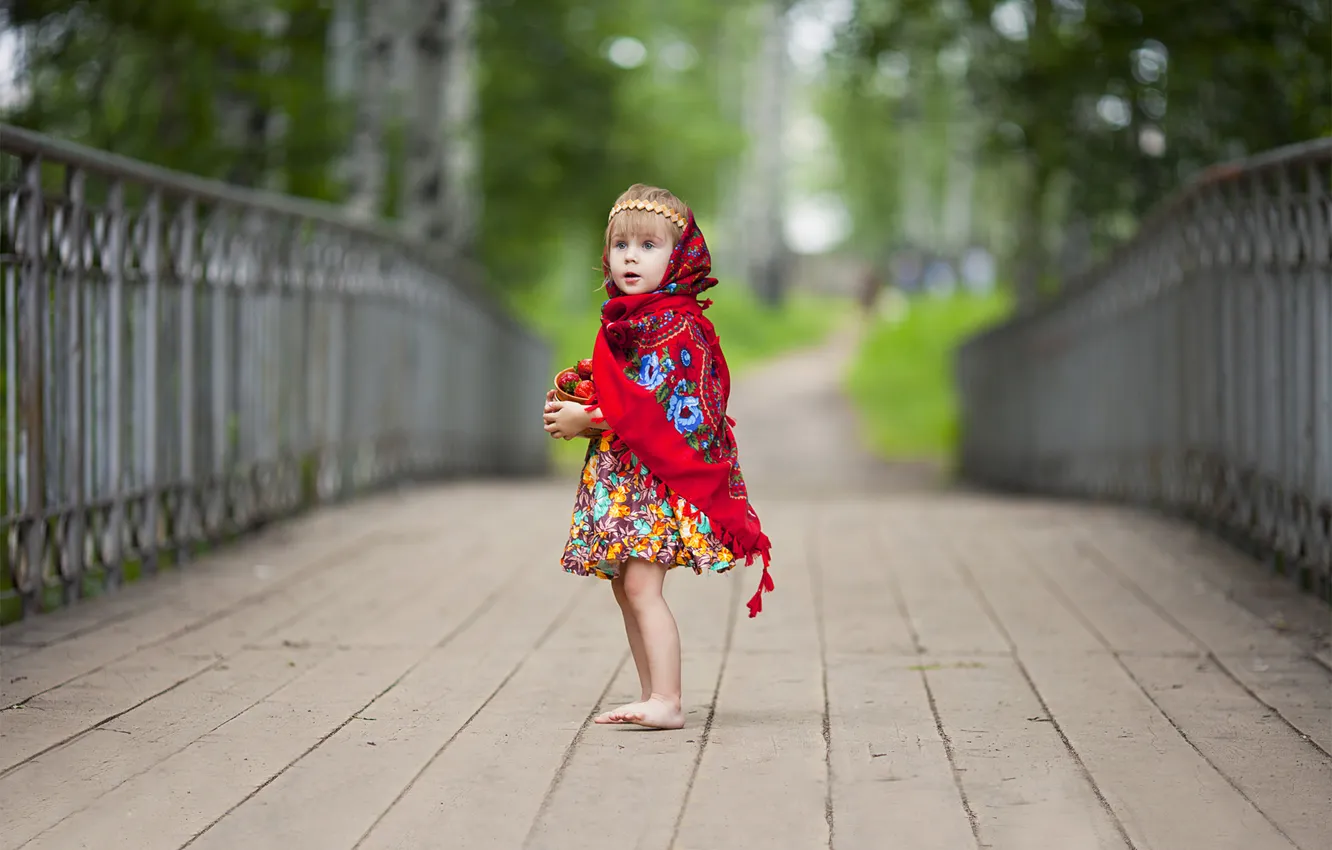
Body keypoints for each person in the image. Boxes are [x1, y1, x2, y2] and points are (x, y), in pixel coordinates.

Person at [542, 184, 773, 730]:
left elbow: (663, 406)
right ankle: (651, 694)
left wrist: (589, 417)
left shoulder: (679, 324)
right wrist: (584, 403)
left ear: (679, 257)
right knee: (626, 587)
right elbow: (629, 394)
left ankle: (667, 700)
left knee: (643, 587)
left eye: (648, 246)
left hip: (656, 479)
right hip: (626, 479)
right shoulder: (629, 320)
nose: (631, 257)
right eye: (620, 245)